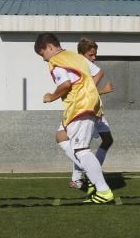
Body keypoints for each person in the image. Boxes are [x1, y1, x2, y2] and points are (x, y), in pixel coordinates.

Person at [35, 33, 114, 204]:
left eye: (42, 54)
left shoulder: (55, 61)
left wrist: (51, 96)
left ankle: (102, 189)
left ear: (49, 47)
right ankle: (91, 175)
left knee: (82, 150)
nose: (43, 59)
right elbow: (96, 72)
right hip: (87, 104)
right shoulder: (73, 56)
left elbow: (65, 84)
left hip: (79, 106)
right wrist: (90, 89)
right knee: (63, 137)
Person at [61, 38, 115, 192]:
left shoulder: (87, 68)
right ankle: (82, 176)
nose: (94, 58)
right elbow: (82, 92)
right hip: (81, 111)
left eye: (95, 54)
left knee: (107, 140)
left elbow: (88, 91)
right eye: (91, 55)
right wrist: (104, 90)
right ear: (81, 55)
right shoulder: (79, 68)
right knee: (77, 145)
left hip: (94, 109)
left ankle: (87, 173)